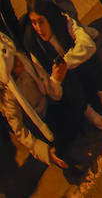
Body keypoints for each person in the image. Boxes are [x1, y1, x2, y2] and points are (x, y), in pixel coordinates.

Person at [23, 0, 102, 130]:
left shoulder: (64, 21)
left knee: (89, 57)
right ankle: (87, 111)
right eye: (34, 23)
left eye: (41, 21)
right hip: (69, 87)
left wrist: (67, 62)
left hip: (81, 70)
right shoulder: (33, 44)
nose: (39, 28)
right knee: (66, 80)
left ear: (50, 18)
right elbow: (48, 87)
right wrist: (56, 79)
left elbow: (88, 44)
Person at [0, 28, 86, 174]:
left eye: (17, 59)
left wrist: (56, 79)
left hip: (48, 107)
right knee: (59, 152)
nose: (19, 63)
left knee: (74, 113)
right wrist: (45, 152)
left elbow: (46, 83)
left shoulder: (24, 60)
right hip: (38, 124)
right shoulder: (9, 95)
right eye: (15, 65)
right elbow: (20, 130)